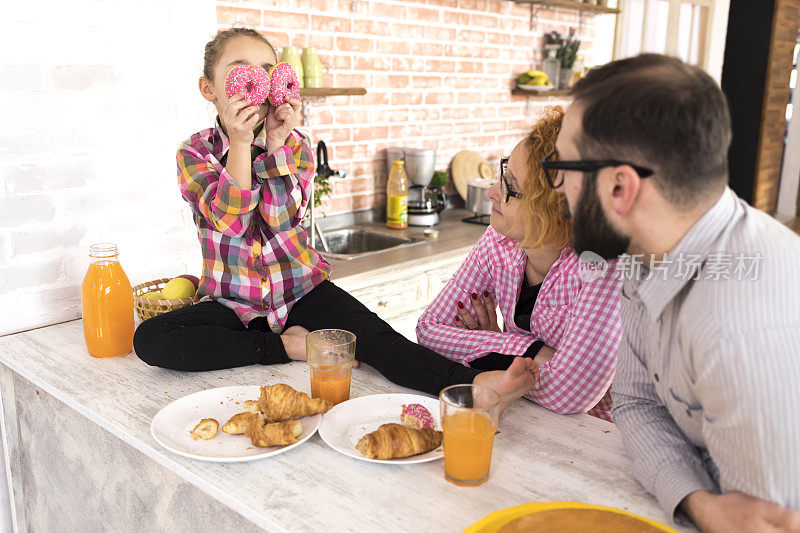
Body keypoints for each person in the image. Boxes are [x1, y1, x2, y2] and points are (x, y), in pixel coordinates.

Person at [133, 27, 536, 413]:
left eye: (269, 71)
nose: (259, 80)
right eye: (242, 68)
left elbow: (282, 218)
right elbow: (232, 223)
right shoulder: (195, 152)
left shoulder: (296, 144)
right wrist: (239, 143)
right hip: (232, 303)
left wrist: (275, 146)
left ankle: (469, 385)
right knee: (153, 339)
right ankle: (285, 347)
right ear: (209, 88)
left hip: (301, 292)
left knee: (380, 340)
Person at [547, 53, 800, 532]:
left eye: (563, 167)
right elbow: (635, 404)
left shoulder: (737, 327)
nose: (557, 187)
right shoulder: (647, 255)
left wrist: (706, 502)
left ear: (621, 187)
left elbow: (760, 524)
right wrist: (699, 501)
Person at [417, 107, 622, 421]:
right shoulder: (499, 241)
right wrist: (529, 350)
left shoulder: (604, 267)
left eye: (510, 187)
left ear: (558, 210)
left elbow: (569, 393)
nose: (491, 192)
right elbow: (429, 331)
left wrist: (490, 352)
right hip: (525, 416)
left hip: (601, 440)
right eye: (503, 174)